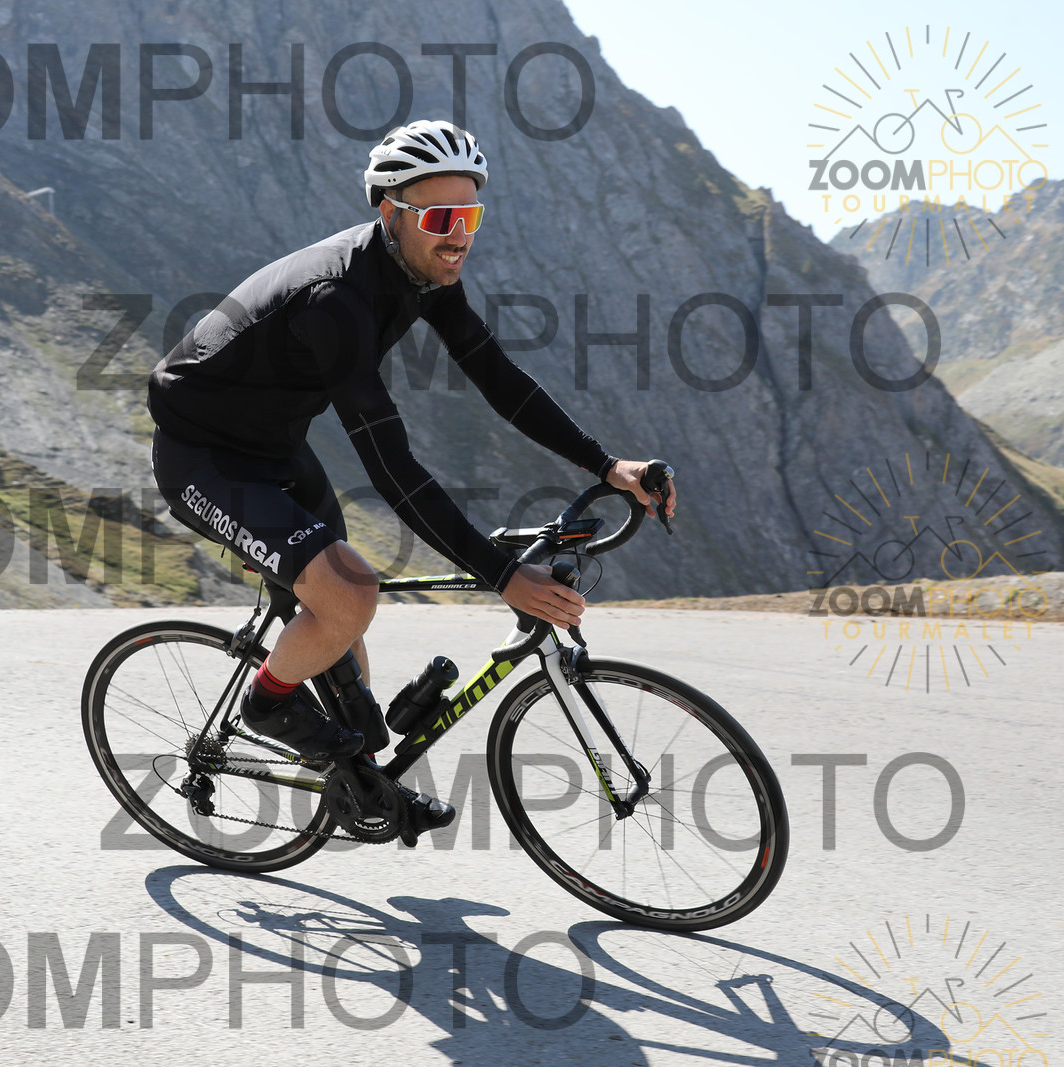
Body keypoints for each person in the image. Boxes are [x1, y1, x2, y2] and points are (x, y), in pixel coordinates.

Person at [148, 119, 678, 839]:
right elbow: (392, 466)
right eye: (439, 219)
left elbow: (498, 377)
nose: (458, 236)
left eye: (470, 217)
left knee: (343, 625)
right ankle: (267, 703)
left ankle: (362, 778)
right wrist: (502, 575)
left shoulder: (421, 270)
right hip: (203, 458)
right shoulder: (335, 299)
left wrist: (607, 464)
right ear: (389, 211)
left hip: (275, 449)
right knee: (350, 589)